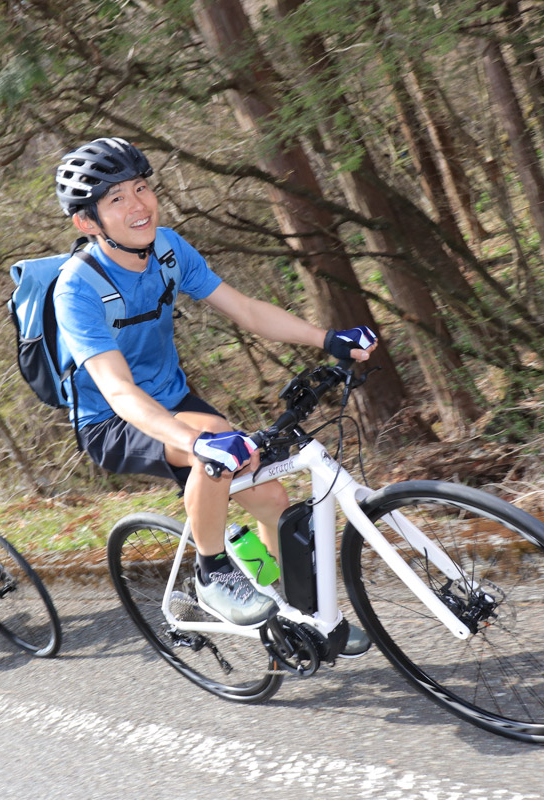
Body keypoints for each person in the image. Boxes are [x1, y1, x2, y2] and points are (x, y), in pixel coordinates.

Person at [53, 136, 376, 654]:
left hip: (175, 400)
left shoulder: (167, 249)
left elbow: (246, 309)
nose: (139, 205)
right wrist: (192, 438)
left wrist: (326, 337)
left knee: (271, 497)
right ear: (88, 222)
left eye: (141, 188)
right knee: (213, 438)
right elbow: (117, 389)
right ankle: (210, 572)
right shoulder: (76, 288)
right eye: (116, 199)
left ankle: (300, 621)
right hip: (111, 421)